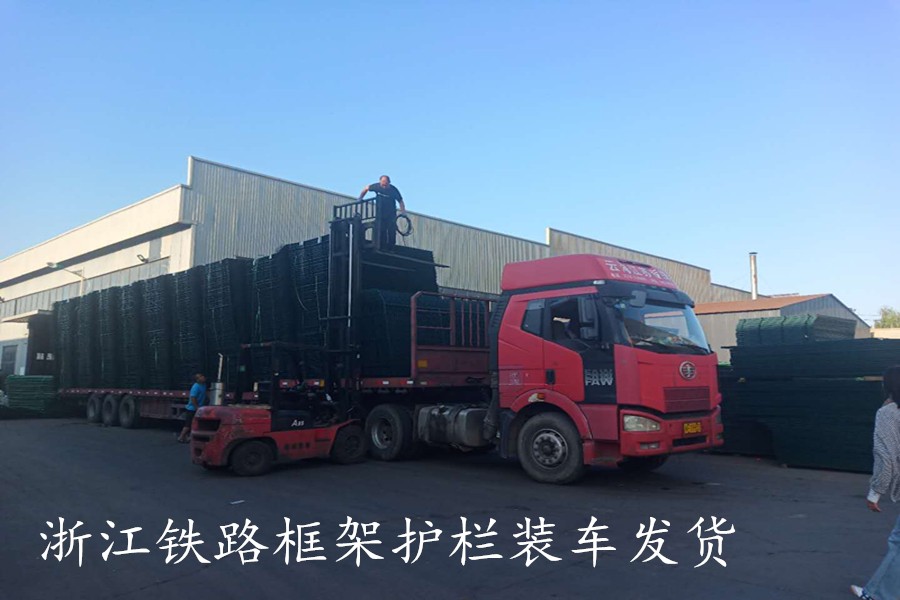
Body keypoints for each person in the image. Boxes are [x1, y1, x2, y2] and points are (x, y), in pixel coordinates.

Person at [851, 365, 900, 600]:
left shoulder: (889, 413)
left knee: (898, 543)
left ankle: (877, 595)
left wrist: (875, 492)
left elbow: (885, 457)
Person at [359, 175, 406, 248]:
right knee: (381, 229)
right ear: (380, 182)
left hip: (391, 213)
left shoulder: (393, 190)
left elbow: (400, 201)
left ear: (389, 183)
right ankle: (382, 246)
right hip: (380, 213)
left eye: (386, 185)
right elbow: (366, 188)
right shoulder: (376, 186)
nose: (384, 187)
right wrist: (360, 198)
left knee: (391, 230)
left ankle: (391, 247)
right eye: (382, 185)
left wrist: (403, 212)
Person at [177, 373, 207, 443]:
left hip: (199, 407)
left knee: (195, 424)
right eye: (201, 377)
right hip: (192, 409)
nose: (203, 377)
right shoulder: (196, 387)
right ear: (197, 379)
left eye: (203, 376)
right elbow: (193, 398)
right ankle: (181, 437)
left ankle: (189, 438)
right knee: (188, 424)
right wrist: (196, 407)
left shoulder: (204, 385)